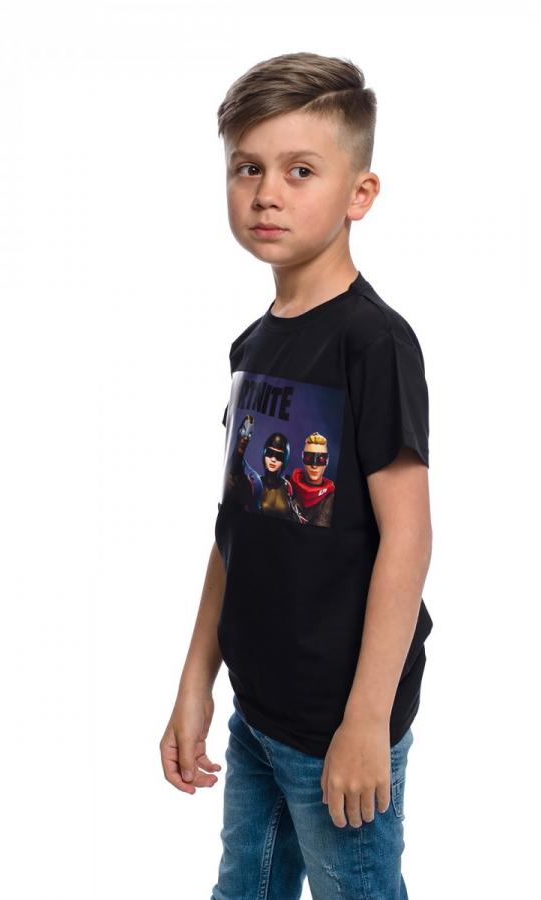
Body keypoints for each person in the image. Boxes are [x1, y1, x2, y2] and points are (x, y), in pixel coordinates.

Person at [159, 51, 434, 900]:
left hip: (338, 723)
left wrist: (366, 721)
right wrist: (196, 683)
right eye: (248, 168)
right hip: (258, 709)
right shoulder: (254, 344)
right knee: (243, 887)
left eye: (300, 170)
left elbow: (409, 538)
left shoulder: (374, 344)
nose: (266, 193)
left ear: (360, 193)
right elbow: (237, 527)